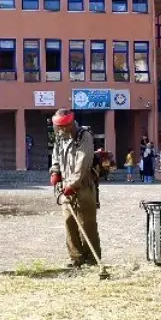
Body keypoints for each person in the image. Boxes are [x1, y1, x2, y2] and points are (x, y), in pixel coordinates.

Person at [49, 109, 104, 275]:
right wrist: (55, 172)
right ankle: (76, 259)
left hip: (83, 187)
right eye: (57, 127)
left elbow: (83, 162)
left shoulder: (83, 136)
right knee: (69, 222)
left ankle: (92, 260)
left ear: (69, 124)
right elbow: (56, 156)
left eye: (62, 127)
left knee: (87, 224)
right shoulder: (60, 138)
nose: (59, 130)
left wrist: (72, 184)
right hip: (65, 187)